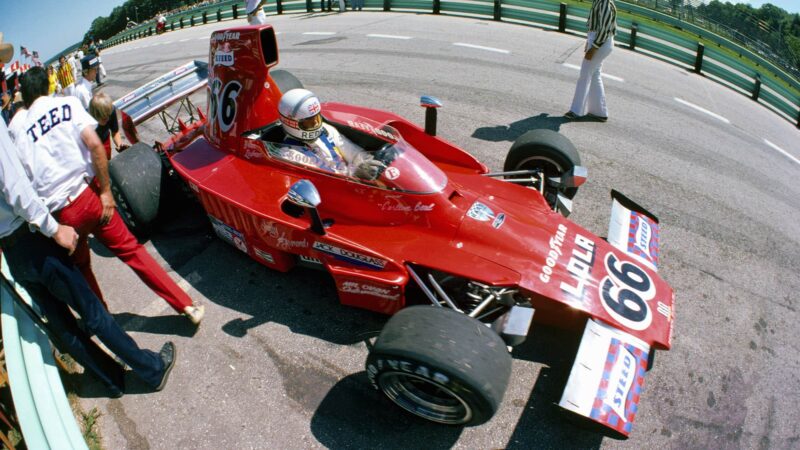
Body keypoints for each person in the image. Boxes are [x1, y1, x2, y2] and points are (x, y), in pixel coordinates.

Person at [0, 33, 175, 398]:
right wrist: (52, 227)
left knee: (63, 325)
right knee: (90, 309)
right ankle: (149, 370)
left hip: (10, 253)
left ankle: (111, 379)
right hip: (31, 233)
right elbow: (16, 188)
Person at [12, 67, 205, 325]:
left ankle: (105, 323)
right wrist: (105, 191)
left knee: (82, 268)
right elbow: (94, 144)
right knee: (133, 252)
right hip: (89, 195)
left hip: (62, 215)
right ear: (48, 86)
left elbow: (22, 182)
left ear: (25, 97)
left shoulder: (18, 131)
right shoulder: (66, 105)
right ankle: (186, 305)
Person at [277, 88, 382, 179]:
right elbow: (326, 179)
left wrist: (366, 163)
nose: (315, 125)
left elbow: (355, 154)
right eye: (308, 122)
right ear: (291, 123)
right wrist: (355, 173)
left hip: (354, 179)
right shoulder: (289, 155)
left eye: (316, 118)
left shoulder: (326, 130)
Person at [564, 0, 616, 122]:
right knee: (594, 74)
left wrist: (594, 47)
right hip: (598, 40)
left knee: (585, 75)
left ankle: (576, 111)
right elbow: (596, 26)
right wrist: (589, 42)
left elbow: (604, 29)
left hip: (601, 42)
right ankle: (599, 112)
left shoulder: (604, 3)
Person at [89, 92, 129, 159]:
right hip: (91, 147)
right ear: (95, 116)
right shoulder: (87, 124)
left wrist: (120, 145)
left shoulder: (110, 111)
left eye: (109, 115)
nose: (108, 119)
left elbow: (115, 131)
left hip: (105, 140)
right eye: (104, 117)